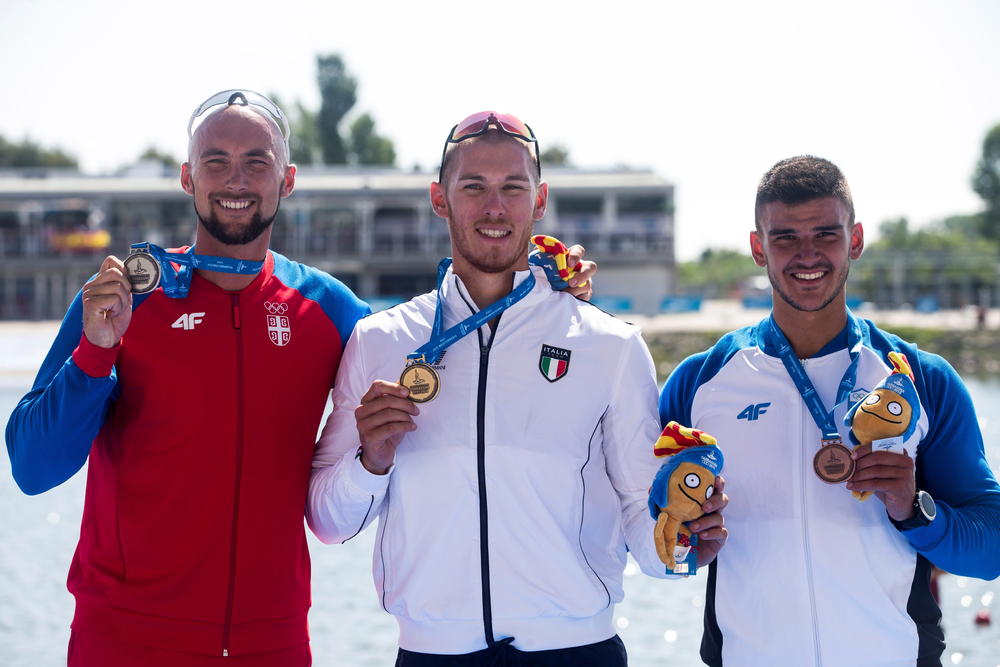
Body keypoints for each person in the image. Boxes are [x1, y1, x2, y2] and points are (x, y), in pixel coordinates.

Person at [306, 111, 729, 666]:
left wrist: (683, 540)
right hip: (432, 654)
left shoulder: (610, 345)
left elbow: (639, 511)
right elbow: (328, 523)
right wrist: (371, 462)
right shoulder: (380, 340)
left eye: (512, 187)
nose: (494, 207)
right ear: (439, 198)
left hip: (577, 652)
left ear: (539, 199)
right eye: (472, 187)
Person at [4, 90, 372, 665]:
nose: (236, 179)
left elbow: (431, 372)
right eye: (215, 160)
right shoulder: (122, 300)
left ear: (288, 180)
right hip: (124, 641)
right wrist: (97, 352)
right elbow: (32, 468)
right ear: (187, 177)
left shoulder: (330, 309)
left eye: (256, 161)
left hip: (271, 643)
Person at [658, 155, 1000, 667]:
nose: (808, 254)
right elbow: (645, 534)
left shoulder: (921, 378)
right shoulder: (699, 382)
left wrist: (913, 508)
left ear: (855, 239)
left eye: (826, 234)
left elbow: (991, 550)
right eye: (785, 238)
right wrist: (687, 548)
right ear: (758, 247)